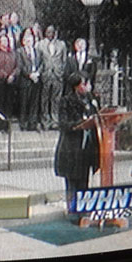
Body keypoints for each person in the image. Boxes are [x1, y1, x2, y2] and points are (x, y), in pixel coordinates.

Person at [55, 71, 100, 223]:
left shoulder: (90, 100)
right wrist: (79, 124)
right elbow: (63, 123)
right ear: (76, 86)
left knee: (84, 180)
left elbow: (97, 117)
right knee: (73, 180)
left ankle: (84, 210)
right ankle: (73, 211)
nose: (87, 86)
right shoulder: (66, 101)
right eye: (83, 83)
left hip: (87, 146)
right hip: (72, 147)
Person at [36, 25, 67, 130]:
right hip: (46, 75)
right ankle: (45, 120)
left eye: (52, 32)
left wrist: (61, 72)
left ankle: (55, 120)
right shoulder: (40, 45)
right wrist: (41, 73)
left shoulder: (61, 44)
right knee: (44, 99)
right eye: (48, 32)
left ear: (55, 33)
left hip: (57, 75)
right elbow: (38, 61)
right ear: (45, 33)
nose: (50, 34)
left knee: (56, 99)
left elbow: (64, 60)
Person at [0, 34, 19, 133]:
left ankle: (7, 126)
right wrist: (5, 76)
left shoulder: (13, 53)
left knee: (8, 104)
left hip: (10, 83)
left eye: (6, 40)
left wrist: (12, 75)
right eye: (3, 41)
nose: (5, 42)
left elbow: (18, 66)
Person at [16, 28, 42, 131]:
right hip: (25, 80)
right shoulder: (20, 52)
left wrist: (37, 74)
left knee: (34, 103)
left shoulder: (37, 52)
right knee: (24, 103)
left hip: (36, 80)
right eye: (27, 41)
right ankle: (23, 123)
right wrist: (29, 75)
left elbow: (41, 64)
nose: (29, 43)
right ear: (23, 42)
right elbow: (20, 65)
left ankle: (32, 123)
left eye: (31, 41)